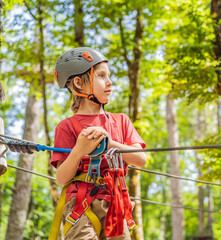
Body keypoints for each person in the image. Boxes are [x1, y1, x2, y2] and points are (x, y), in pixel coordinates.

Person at [49, 47, 147, 240]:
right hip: (80, 206)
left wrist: (110, 143)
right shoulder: (67, 127)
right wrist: (78, 151)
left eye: (108, 76)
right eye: (101, 76)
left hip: (116, 205)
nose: (109, 82)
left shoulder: (121, 121)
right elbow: (61, 178)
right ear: (78, 83)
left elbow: (140, 159)